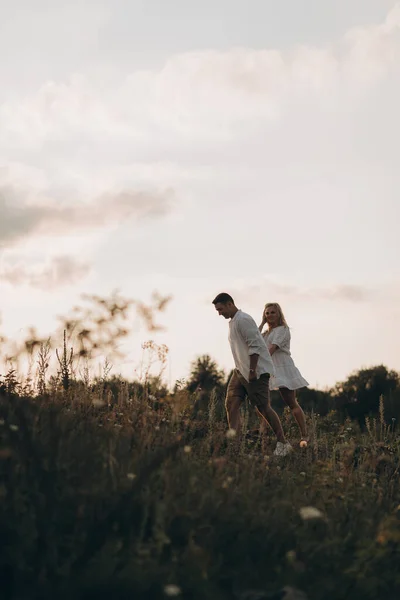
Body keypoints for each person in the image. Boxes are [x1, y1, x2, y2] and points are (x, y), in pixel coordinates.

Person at [212, 293, 292, 457]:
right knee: (231, 404)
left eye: (220, 309)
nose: (219, 313)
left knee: (263, 407)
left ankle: (283, 443)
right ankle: (236, 446)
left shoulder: (243, 320)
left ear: (229, 304)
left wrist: (252, 371)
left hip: (256, 372)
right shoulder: (233, 322)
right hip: (240, 371)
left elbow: (255, 346)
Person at [259, 302, 308, 445]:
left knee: (291, 402)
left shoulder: (283, 330)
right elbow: (254, 339)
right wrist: (262, 323)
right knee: (263, 403)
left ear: (279, 314)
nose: (269, 315)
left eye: (272, 312)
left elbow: (272, 349)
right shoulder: (265, 334)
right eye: (267, 313)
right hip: (268, 368)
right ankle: (264, 432)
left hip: (282, 367)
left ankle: (304, 435)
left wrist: (259, 362)